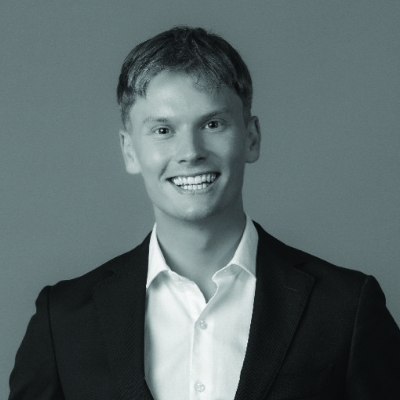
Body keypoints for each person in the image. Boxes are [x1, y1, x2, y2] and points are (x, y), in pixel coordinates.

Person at [9, 26, 400, 400]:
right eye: (163, 130)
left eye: (212, 124)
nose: (191, 152)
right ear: (130, 150)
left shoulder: (345, 308)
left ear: (251, 138)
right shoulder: (63, 321)